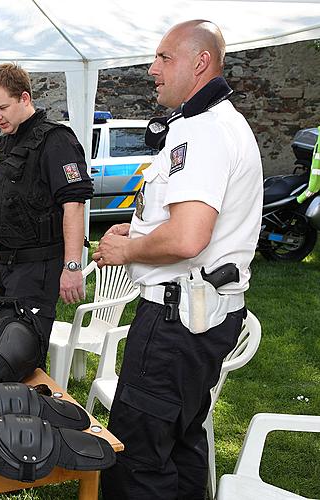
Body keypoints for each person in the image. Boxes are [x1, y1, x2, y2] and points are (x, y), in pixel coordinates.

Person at [94, 20, 263, 499]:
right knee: (183, 446)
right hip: (199, 318)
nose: (152, 69)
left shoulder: (204, 128)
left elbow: (190, 237)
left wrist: (128, 249)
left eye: (164, 58)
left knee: (137, 460)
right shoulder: (218, 122)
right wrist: (143, 230)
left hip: (176, 323)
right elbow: (191, 221)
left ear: (200, 62)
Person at [0, 63, 93, 360]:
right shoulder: (5, 143)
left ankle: (33, 404)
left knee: (22, 351)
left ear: (25, 98)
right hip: (6, 267)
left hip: (37, 268)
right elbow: (7, 199)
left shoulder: (56, 141)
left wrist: (72, 266)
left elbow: (74, 205)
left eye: (2, 107)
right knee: (4, 345)